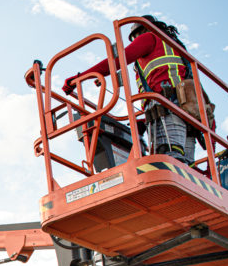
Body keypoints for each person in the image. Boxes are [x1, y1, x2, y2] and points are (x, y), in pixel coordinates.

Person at [64, 15, 200, 165]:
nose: (135, 40)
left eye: (135, 36)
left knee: (168, 160)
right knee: (186, 167)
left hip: (166, 109)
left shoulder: (150, 37)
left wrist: (80, 78)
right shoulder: (176, 48)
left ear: (142, 30)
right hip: (188, 115)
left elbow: (118, 60)